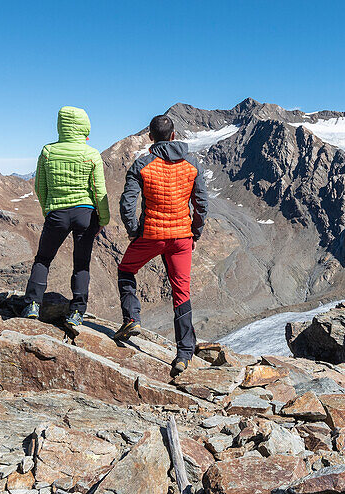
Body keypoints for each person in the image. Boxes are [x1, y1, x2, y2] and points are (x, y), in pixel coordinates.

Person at [115, 114, 209, 378]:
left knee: (126, 270)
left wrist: (136, 231)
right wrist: (195, 233)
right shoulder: (192, 164)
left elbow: (127, 204)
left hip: (152, 235)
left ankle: (132, 318)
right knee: (181, 292)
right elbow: (201, 204)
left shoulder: (143, 164)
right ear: (174, 135)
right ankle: (184, 354)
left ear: (150, 137)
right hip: (181, 237)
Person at [14, 106, 110, 332]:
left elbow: (40, 186)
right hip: (85, 214)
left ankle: (32, 306)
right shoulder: (91, 154)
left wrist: (49, 210)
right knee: (81, 264)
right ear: (85, 126)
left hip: (57, 213)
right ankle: (76, 312)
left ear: (61, 125)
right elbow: (99, 191)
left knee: (43, 259)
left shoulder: (48, 151)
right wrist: (103, 219)